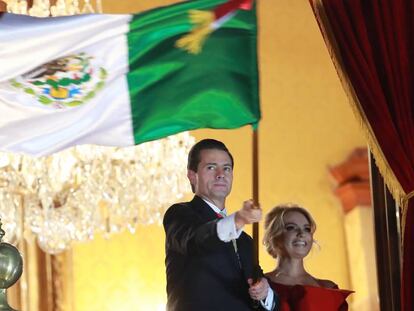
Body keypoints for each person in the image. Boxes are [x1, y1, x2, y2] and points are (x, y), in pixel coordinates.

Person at [163, 139, 277, 311]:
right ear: (192, 176)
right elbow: (196, 241)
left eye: (226, 168)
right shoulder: (179, 214)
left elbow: (264, 298)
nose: (220, 174)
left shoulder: (245, 241)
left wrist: (265, 293)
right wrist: (238, 220)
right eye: (211, 167)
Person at [263, 204, 353, 311]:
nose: (301, 233)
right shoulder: (258, 285)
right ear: (274, 237)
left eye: (307, 229)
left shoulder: (328, 288)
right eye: (291, 227)